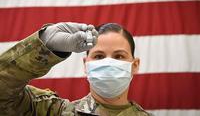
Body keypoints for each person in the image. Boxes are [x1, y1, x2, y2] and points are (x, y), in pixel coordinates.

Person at [0, 22, 152, 116]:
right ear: (86, 64)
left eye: (119, 56)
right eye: (99, 56)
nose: (108, 63)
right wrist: (44, 44)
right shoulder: (51, 111)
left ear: (135, 65)